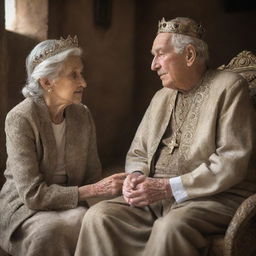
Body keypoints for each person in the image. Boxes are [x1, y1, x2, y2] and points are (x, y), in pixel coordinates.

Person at [75, 17, 256, 256]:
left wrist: (168, 187)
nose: (153, 65)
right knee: (100, 216)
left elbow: (231, 161)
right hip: (157, 197)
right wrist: (136, 177)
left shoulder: (230, 87)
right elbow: (138, 151)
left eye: (160, 54)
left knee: (169, 228)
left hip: (213, 195)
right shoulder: (161, 96)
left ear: (189, 55)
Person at [0, 35, 127, 256]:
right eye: (74, 75)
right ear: (46, 82)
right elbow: (33, 195)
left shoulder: (82, 115)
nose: (83, 82)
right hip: (25, 210)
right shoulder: (20, 118)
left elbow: (92, 175)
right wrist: (94, 190)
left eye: (82, 73)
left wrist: (112, 190)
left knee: (101, 222)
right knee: (52, 231)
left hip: (71, 207)